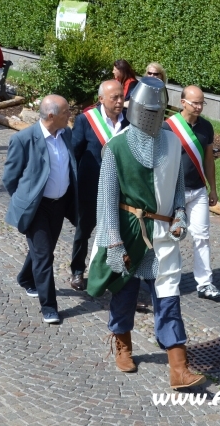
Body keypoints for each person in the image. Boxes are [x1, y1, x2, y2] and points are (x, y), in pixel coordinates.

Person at [86, 77, 206, 389]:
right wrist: (113, 242)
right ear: (135, 109)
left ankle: (178, 368)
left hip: (163, 232)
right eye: (147, 110)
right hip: (128, 231)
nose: (152, 117)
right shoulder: (116, 147)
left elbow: (177, 190)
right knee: (124, 294)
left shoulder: (172, 143)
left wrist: (179, 214)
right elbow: (107, 202)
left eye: (157, 111)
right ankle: (123, 343)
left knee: (169, 296)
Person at [2, 95, 77, 324]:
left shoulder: (67, 135)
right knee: (44, 255)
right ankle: (49, 306)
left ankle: (26, 278)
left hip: (59, 204)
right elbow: (10, 178)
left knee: (42, 249)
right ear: (52, 115)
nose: (70, 115)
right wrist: (25, 200)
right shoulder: (24, 139)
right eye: (66, 112)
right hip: (37, 207)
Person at [164, 85, 220, 300]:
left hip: (198, 190)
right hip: (173, 192)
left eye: (201, 103)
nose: (199, 107)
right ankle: (168, 280)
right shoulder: (168, 128)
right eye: (195, 103)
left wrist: (213, 187)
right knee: (171, 236)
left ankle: (205, 283)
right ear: (182, 102)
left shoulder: (206, 127)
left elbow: (209, 159)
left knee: (202, 236)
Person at [68, 80, 128, 291]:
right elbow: (74, 153)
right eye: (115, 97)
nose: (120, 101)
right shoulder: (86, 120)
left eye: (122, 96)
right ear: (101, 99)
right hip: (90, 187)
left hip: (120, 189)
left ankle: (116, 274)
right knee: (84, 231)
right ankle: (77, 271)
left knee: (118, 232)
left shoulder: (129, 122)